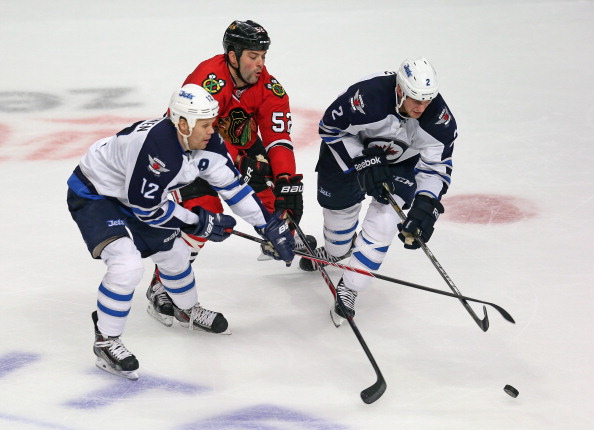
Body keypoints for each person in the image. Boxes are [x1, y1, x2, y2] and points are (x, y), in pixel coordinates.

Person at [66, 84, 295, 379]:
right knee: (127, 265)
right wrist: (198, 221)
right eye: (205, 124)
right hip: (97, 194)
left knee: (174, 255)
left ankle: (186, 310)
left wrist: (268, 225)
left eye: (213, 122)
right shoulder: (159, 150)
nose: (212, 130)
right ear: (183, 124)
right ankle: (105, 340)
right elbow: (146, 210)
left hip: (138, 194)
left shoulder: (206, 143)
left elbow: (234, 188)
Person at [145, 19, 313, 321]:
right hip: (189, 152)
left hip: (240, 149)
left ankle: (278, 239)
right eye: (253, 56)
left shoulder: (269, 88)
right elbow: (195, 134)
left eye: (263, 56)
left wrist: (285, 180)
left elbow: (278, 138)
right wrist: (237, 162)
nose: (260, 64)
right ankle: (161, 285)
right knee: (202, 215)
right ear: (232, 55)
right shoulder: (207, 80)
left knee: (276, 205)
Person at [302, 57, 458, 326]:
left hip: (400, 164)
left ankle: (351, 286)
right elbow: (329, 128)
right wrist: (362, 160)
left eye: (427, 101)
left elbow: (436, 167)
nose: (421, 107)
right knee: (338, 235)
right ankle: (336, 250)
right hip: (346, 154)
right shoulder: (367, 97)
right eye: (414, 99)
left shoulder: (439, 121)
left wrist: (426, 202)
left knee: (387, 221)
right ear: (399, 90)